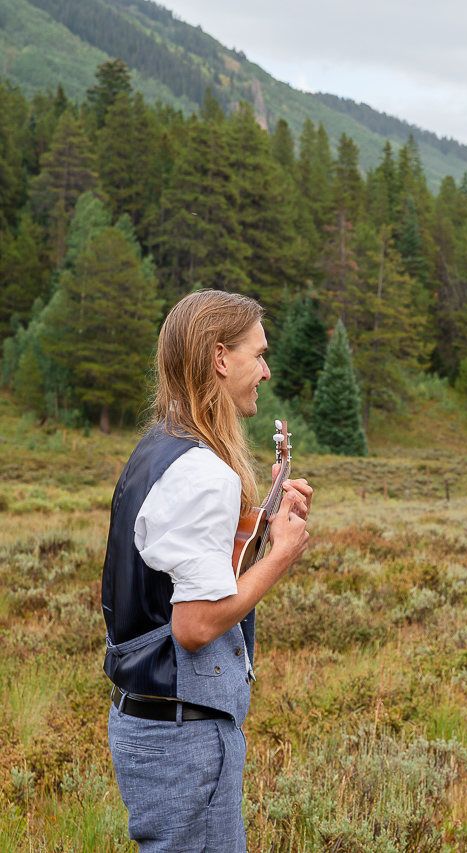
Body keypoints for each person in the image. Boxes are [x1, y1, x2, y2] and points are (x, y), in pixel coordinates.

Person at [102, 290, 313, 852]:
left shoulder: (160, 447)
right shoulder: (202, 471)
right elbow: (194, 626)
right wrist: (281, 555)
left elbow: (172, 569)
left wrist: (258, 524)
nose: (265, 371)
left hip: (155, 727)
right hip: (183, 740)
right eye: (258, 354)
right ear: (220, 358)